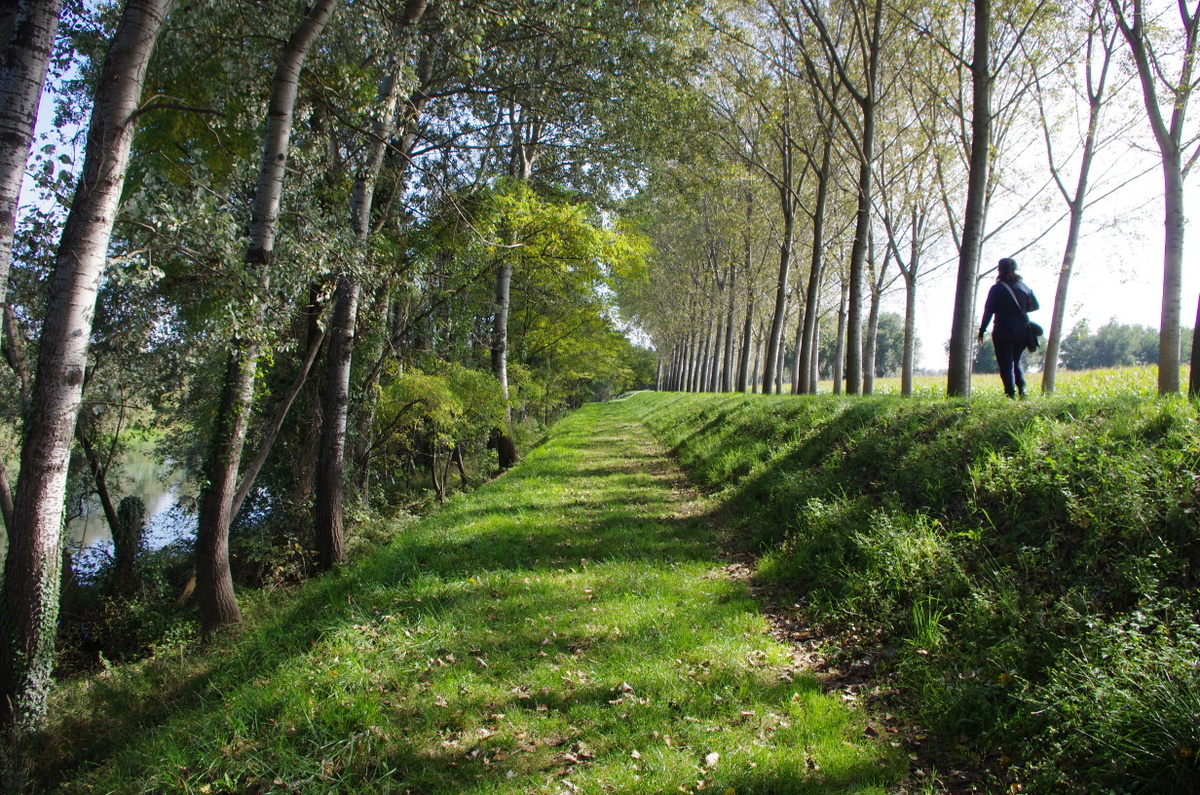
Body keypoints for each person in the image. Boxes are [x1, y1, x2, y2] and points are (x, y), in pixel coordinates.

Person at [977, 257, 1039, 398]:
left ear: (999, 270)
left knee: (1006, 363)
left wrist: (982, 331)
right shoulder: (1025, 287)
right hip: (1022, 330)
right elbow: (1036, 306)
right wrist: (1021, 310)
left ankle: (1010, 395)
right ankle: (1023, 392)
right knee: (1016, 361)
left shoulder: (996, 288)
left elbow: (988, 311)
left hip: (1003, 329)